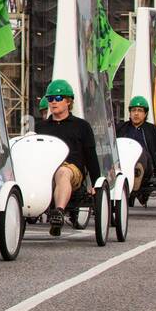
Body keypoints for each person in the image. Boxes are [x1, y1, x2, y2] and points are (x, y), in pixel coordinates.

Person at [34, 79, 100, 236]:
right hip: (46, 171)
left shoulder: (82, 126)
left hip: (72, 170)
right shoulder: (41, 127)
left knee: (62, 172)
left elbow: (91, 156)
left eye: (58, 99)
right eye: (50, 99)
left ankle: (59, 213)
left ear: (68, 101)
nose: (53, 102)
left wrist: (96, 183)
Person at [116, 96, 156, 194]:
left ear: (145, 114)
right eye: (133, 110)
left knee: (141, 156)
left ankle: (136, 175)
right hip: (124, 162)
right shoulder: (120, 128)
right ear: (130, 113)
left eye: (140, 110)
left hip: (146, 166)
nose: (136, 113)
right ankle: (130, 176)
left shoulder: (153, 130)